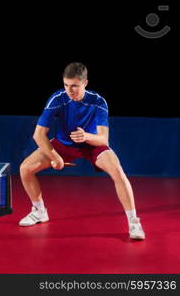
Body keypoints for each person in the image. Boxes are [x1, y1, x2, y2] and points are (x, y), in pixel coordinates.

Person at [19, 62, 145, 240]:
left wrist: (86, 136)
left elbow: (103, 139)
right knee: (25, 169)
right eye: (66, 85)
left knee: (118, 171)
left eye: (74, 86)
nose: (70, 90)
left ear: (85, 83)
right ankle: (40, 212)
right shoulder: (58, 99)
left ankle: (134, 223)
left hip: (92, 144)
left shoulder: (98, 102)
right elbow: (38, 135)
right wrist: (55, 157)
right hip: (63, 144)